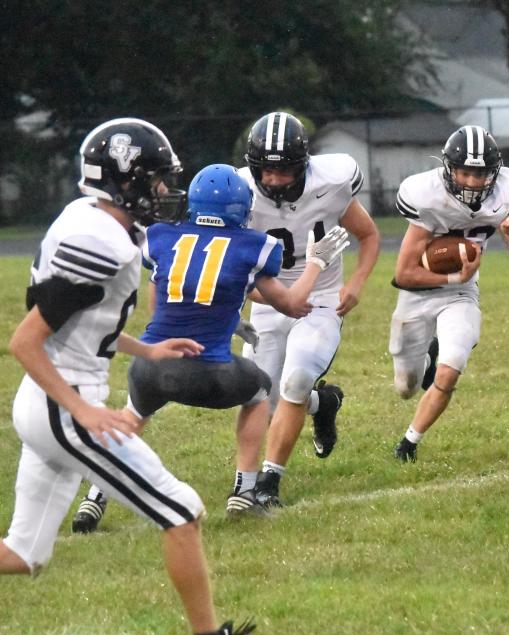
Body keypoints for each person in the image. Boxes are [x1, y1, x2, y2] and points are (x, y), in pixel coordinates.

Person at [0, 119, 254, 635]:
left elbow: (84, 325)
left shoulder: (89, 219)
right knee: (181, 511)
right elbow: (26, 341)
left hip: (51, 400)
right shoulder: (103, 243)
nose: (164, 190)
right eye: (156, 178)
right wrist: (84, 411)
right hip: (64, 404)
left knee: (23, 556)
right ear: (126, 179)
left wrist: (146, 347)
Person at [69, 163, 350, 533]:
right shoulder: (254, 245)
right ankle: (244, 492)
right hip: (212, 374)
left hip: (151, 364)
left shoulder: (161, 236)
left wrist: (231, 320)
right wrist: (316, 263)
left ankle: (94, 498)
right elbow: (293, 305)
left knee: (133, 416)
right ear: (241, 207)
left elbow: (174, 298)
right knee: (260, 392)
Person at [239, 112, 380, 507]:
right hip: (267, 302)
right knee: (258, 400)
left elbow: (367, 235)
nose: (274, 180)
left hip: (321, 298)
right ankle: (325, 404)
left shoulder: (331, 182)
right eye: (266, 170)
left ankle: (268, 484)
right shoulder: (241, 193)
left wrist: (356, 283)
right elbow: (238, 274)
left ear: (303, 165)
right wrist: (273, 298)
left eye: (284, 170)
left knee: (297, 377)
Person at [390, 125, 509, 462]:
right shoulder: (427, 195)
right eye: (466, 172)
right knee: (405, 388)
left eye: (481, 173)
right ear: (449, 169)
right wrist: (456, 274)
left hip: (462, 294)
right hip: (418, 292)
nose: (472, 181)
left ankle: (409, 443)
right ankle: (426, 355)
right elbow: (403, 273)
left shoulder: (505, 193)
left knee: (451, 367)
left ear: (494, 173)